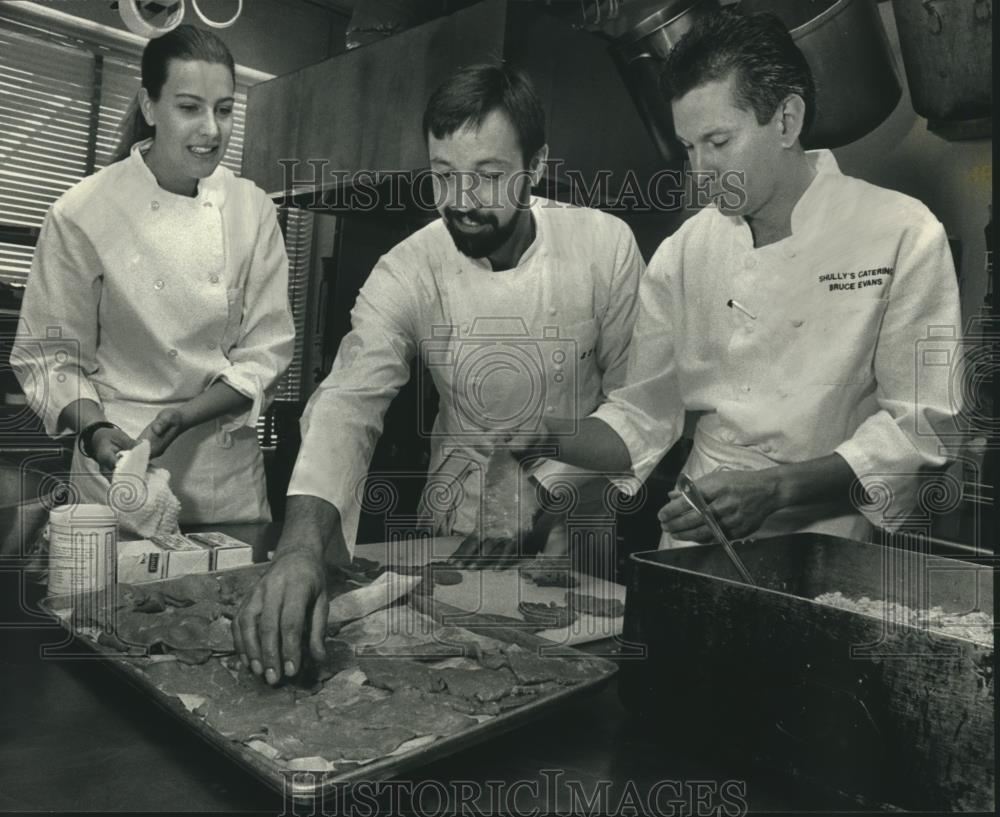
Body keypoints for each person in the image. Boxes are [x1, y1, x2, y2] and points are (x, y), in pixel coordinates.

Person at [233, 64, 644, 685]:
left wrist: (542, 471)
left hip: (573, 527)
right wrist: (299, 546)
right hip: (458, 521)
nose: (461, 201)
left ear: (536, 168)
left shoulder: (604, 247)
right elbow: (348, 401)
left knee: (567, 684)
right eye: (444, 175)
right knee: (443, 672)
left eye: (489, 176)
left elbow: (635, 405)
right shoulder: (409, 267)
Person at [528, 10, 964, 547]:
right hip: (696, 533)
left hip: (821, 539)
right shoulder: (686, 251)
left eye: (718, 142)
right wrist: (542, 434)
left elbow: (923, 429)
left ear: (786, 121)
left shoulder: (903, 233)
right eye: (689, 148)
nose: (700, 172)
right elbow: (641, 416)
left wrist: (775, 489)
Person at [12, 25, 295, 524]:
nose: (211, 129)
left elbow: (267, 351)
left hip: (222, 471)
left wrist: (185, 416)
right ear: (149, 107)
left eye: (224, 109)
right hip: (117, 464)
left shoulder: (253, 210)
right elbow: (51, 357)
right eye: (189, 108)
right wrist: (94, 430)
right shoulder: (83, 211)